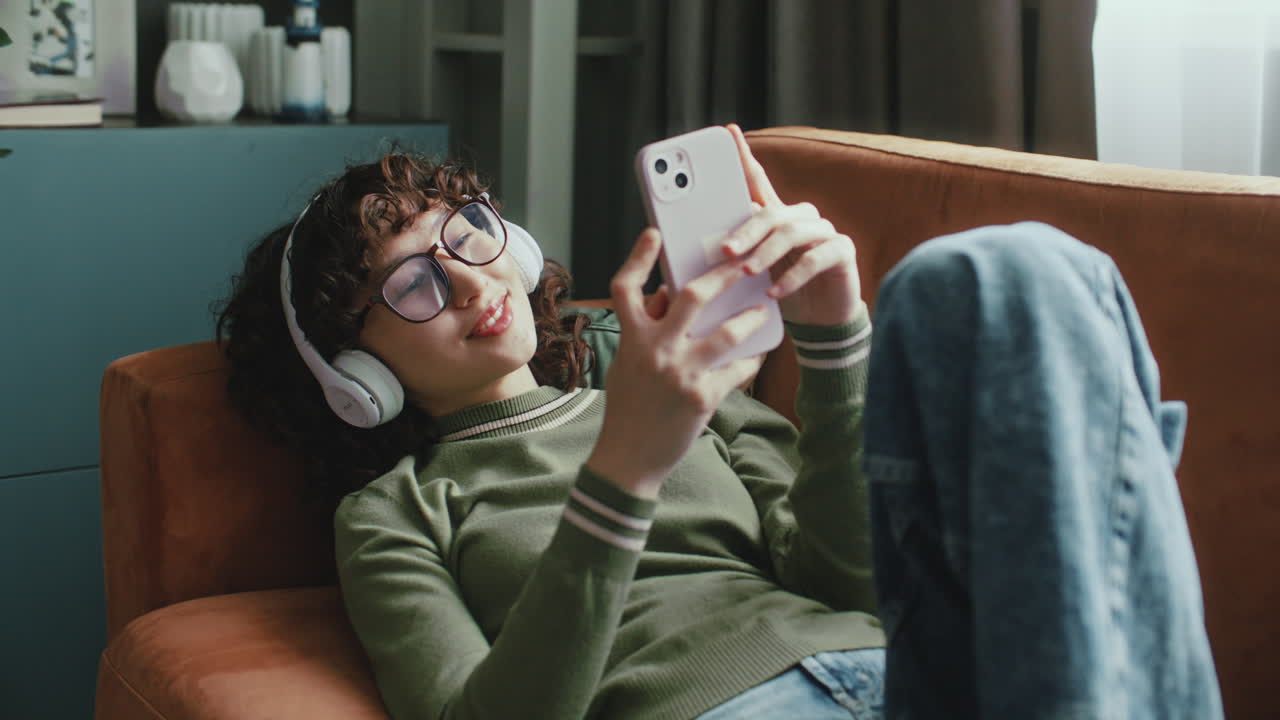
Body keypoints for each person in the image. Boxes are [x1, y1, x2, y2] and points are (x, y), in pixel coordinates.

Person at [216, 125, 1222, 720]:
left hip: (914, 676)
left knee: (1005, 273)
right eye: (411, 284)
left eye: (467, 234)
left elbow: (849, 584)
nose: (469, 279)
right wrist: (624, 474)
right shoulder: (393, 514)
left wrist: (828, 333)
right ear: (356, 378)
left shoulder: (687, 393)